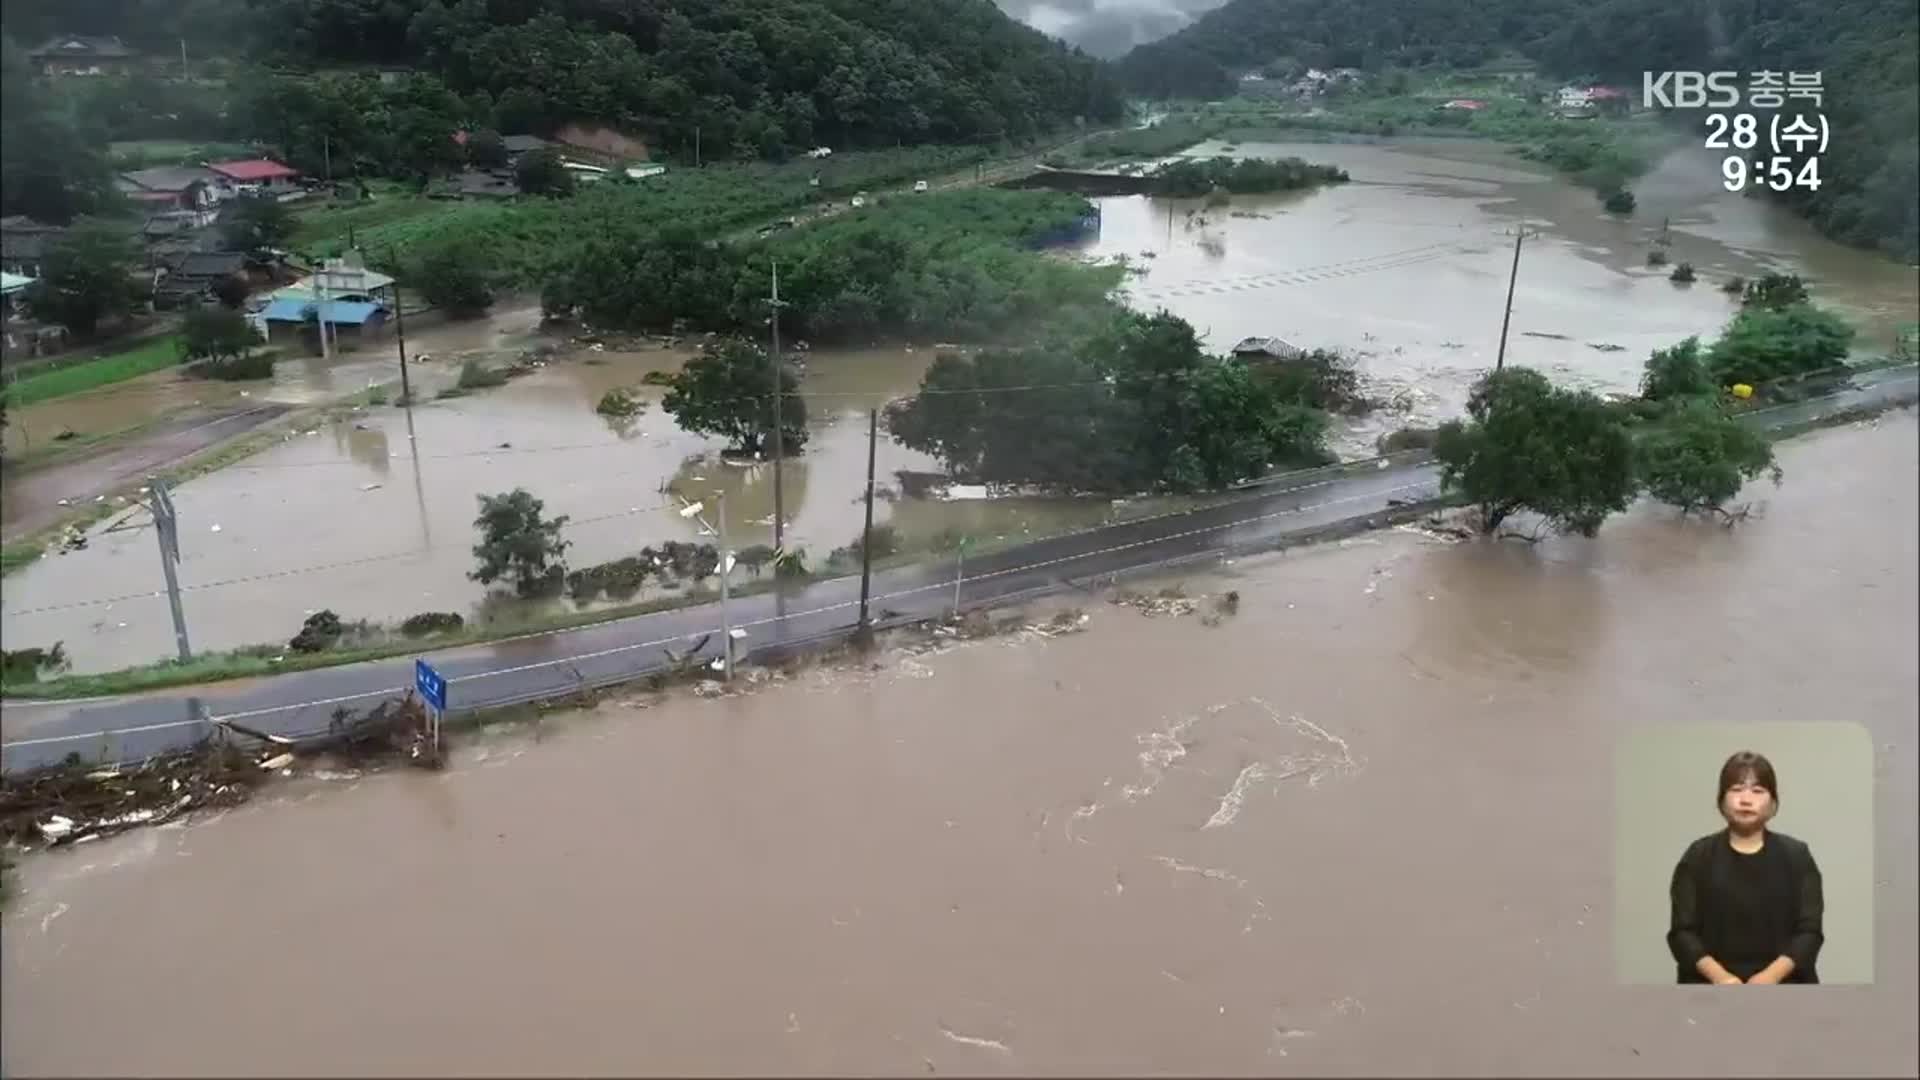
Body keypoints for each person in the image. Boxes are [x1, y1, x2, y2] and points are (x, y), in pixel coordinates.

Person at [1667, 751, 1824, 984]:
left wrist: (1767, 979)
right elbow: (1682, 933)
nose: (1746, 799)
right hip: (1711, 990)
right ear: (1721, 800)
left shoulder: (1797, 856)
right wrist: (1723, 980)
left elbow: (1809, 932)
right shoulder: (1698, 856)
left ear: (1773, 802)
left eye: (1758, 791)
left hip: (1786, 988)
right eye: (1736, 789)